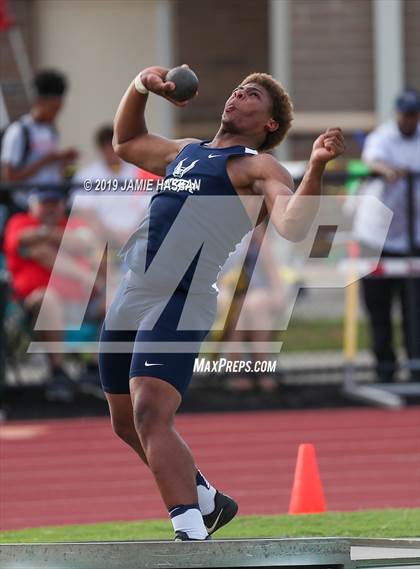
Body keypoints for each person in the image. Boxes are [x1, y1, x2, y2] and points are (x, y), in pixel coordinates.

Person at [99, 64, 344, 541]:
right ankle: (209, 501)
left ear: (269, 124)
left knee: (151, 411)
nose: (237, 96)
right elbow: (126, 143)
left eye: (251, 95)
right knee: (126, 422)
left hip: (182, 296)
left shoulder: (257, 167)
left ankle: (191, 532)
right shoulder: (185, 153)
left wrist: (314, 166)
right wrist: (138, 86)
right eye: (236, 89)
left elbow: (293, 226)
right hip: (133, 292)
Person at [3, 188, 98, 402]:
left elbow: (86, 243)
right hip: (31, 307)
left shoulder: (74, 223)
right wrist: (81, 273)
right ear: (32, 205)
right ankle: (58, 372)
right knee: (48, 298)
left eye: (54, 203)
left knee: (116, 299)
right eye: (44, 203)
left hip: (80, 301)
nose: (50, 208)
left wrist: (44, 235)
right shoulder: (19, 221)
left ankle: (97, 368)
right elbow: (24, 241)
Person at [360, 89, 420, 382]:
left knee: (415, 310)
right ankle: (385, 371)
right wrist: (388, 170)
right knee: (379, 307)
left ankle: (416, 369)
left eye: (413, 114)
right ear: (397, 113)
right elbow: (372, 161)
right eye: (404, 113)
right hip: (378, 237)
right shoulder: (382, 137)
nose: (408, 120)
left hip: (413, 237)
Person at [0, 69, 77, 209]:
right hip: (23, 206)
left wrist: (65, 162)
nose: (57, 114)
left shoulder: (51, 131)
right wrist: (46, 160)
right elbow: (9, 177)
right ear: (40, 102)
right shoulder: (19, 131)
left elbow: (57, 172)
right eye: (54, 108)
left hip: (51, 205)